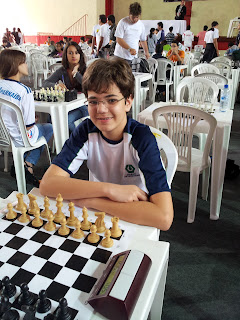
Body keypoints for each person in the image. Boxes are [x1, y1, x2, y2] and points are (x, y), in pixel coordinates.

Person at [40, 57, 173, 230]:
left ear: (128, 101)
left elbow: (163, 218)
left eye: (111, 100)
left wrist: (94, 201)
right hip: (98, 221)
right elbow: (48, 184)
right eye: (93, 101)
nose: (101, 109)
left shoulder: (141, 137)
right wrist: (109, 190)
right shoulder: (85, 131)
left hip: (134, 216)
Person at [0, 50, 53, 186]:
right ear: (16, 65)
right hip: (19, 138)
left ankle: (20, 164)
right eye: (23, 62)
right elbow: (28, 126)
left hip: (3, 137)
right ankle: (28, 165)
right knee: (48, 128)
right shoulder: (25, 91)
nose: (27, 65)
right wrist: (33, 120)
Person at [43, 41, 88, 133]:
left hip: (83, 106)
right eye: (70, 53)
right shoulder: (62, 70)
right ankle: (60, 143)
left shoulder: (86, 70)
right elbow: (45, 83)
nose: (73, 56)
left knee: (66, 121)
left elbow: (88, 86)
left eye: (76, 53)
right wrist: (56, 85)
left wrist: (76, 73)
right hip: (68, 104)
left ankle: (77, 142)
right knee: (51, 117)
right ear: (66, 55)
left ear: (80, 55)